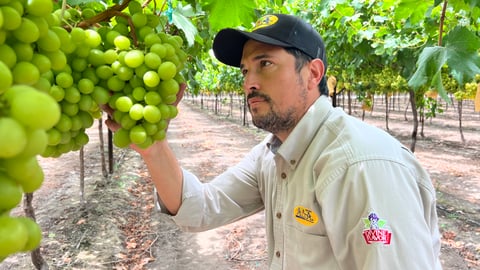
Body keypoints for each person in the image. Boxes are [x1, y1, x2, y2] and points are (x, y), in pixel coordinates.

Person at [106, 13, 442, 269]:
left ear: (312, 74)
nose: (249, 82)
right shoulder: (273, 154)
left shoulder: (360, 166)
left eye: (265, 64)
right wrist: (154, 147)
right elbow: (202, 209)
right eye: (244, 70)